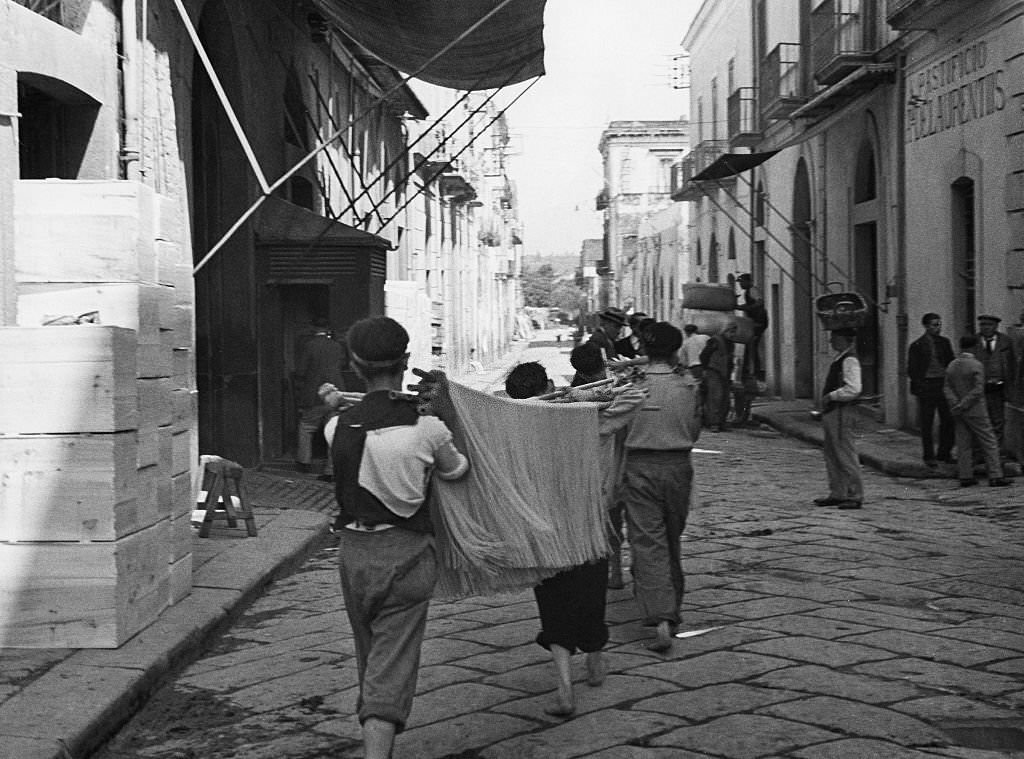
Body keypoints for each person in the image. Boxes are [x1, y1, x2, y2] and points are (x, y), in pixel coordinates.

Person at [328, 316, 470, 759]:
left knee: (370, 653)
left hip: (353, 555)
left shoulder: (337, 428)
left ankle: (376, 730)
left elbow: (362, 433)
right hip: (408, 554)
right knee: (391, 661)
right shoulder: (427, 429)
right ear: (406, 362)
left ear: (354, 364)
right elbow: (458, 470)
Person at [504, 361, 643, 716]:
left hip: (540, 528)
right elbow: (633, 398)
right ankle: (595, 658)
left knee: (553, 604)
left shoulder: (509, 425)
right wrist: (575, 396)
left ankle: (564, 685)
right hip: (585, 524)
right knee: (590, 595)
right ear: (549, 385)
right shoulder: (584, 418)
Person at [621, 322, 702, 653]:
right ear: (675, 349)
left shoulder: (629, 386)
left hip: (639, 466)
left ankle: (661, 616)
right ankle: (673, 606)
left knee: (648, 540)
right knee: (671, 537)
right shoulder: (689, 383)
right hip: (679, 466)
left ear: (643, 348)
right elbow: (695, 430)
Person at [945, 335, 1013, 487]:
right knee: (989, 441)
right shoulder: (976, 365)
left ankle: (965, 476)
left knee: (963, 443)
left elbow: (947, 387)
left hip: (958, 410)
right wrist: (965, 403)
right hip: (975, 409)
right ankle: (995, 475)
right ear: (974, 347)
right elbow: (978, 389)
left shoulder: (952, 365)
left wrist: (955, 403)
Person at [814, 328, 864, 510]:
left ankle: (854, 494)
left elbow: (854, 388)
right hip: (834, 411)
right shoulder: (840, 358)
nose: (831, 342)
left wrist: (832, 396)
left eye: (834, 338)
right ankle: (838, 492)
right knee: (833, 454)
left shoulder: (849, 360)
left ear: (844, 339)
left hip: (842, 411)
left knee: (845, 453)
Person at [295, 316, 348, 480]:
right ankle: (330, 470)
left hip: (314, 393)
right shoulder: (336, 346)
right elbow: (343, 364)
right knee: (333, 431)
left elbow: (301, 370)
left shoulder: (309, 346)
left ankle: (304, 462)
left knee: (306, 427)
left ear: (313, 328)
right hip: (336, 392)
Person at [906, 312, 956, 467]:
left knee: (948, 420)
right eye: (935, 325)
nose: (938, 328)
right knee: (926, 423)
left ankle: (944, 453)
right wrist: (920, 385)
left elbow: (951, 362)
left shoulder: (944, 343)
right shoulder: (917, 345)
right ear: (926, 326)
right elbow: (912, 369)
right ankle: (929, 456)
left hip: (942, 384)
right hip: (927, 386)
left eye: (939, 324)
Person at [971, 314, 1014, 455]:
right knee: (979, 422)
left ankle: (995, 454)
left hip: (998, 389)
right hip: (979, 389)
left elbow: (1011, 365)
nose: (985, 328)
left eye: (989, 325)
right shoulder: (974, 341)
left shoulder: (1005, 341)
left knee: (997, 421)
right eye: (983, 325)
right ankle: (979, 453)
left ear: (995, 326)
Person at [700, 323, 736, 432]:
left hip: (725, 373)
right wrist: (706, 369)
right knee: (715, 397)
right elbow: (704, 355)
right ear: (725, 331)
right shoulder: (715, 341)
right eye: (731, 332)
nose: (733, 335)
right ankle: (713, 423)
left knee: (725, 398)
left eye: (734, 332)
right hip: (714, 371)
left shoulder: (730, 343)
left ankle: (721, 422)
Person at [736, 273, 769, 381]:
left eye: (742, 282)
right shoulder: (747, 292)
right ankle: (751, 371)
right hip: (755, 322)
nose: (740, 284)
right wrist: (740, 307)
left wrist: (748, 308)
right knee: (751, 347)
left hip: (758, 322)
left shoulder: (753, 290)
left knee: (752, 346)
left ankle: (756, 372)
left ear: (748, 281)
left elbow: (759, 303)